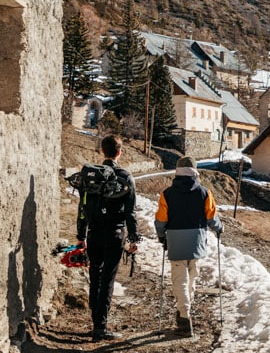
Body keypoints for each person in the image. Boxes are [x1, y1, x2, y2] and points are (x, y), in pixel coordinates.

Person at [76, 134, 139, 341]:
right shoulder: (125, 177)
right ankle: (100, 327)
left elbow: (82, 207)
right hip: (115, 234)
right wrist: (134, 238)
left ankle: (96, 318)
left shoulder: (91, 176)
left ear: (102, 151)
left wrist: (81, 235)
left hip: (94, 233)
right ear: (120, 152)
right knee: (108, 280)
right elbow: (130, 212)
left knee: (95, 275)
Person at [154, 155, 223, 337]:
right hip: (197, 240)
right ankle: (185, 309)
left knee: (180, 279)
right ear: (195, 172)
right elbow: (211, 217)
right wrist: (219, 228)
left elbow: (161, 220)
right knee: (192, 277)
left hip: (176, 240)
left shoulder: (167, 194)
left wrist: (162, 236)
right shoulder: (204, 192)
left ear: (177, 172)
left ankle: (184, 317)